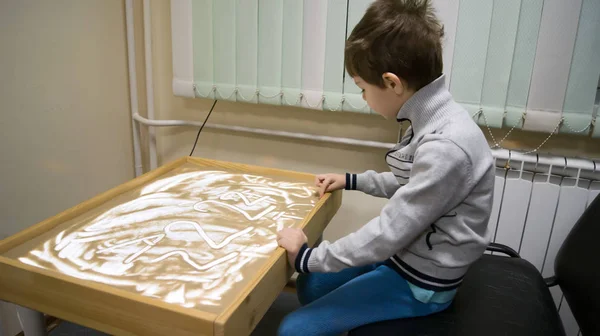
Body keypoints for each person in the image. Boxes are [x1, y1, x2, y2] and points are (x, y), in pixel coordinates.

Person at [276, 0, 495, 335]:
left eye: (363, 88)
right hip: (407, 255)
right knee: (311, 287)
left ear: (392, 83)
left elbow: (387, 234)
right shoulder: (433, 118)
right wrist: (352, 181)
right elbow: (412, 183)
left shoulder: (446, 145)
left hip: (423, 283)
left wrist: (307, 257)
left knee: (294, 329)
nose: (363, 98)